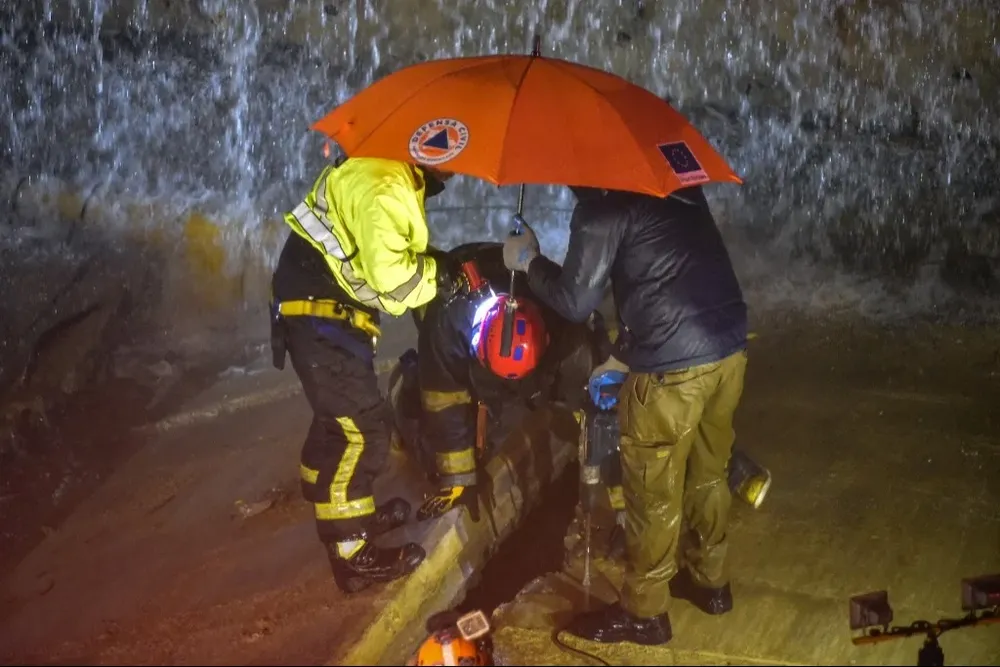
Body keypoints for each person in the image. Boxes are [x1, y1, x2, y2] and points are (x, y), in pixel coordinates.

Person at [503, 184, 750, 646]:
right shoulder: (680, 190)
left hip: (671, 371)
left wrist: (528, 260)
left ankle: (644, 614)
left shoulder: (602, 211)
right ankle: (711, 583)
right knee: (709, 471)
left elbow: (575, 301)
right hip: (729, 348)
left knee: (652, 492)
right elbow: (667, 279)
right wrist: (622, 354)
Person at [270, 155, 463, 595]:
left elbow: (375, 249)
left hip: (318, 303)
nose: (460, 168)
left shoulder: (386, 170)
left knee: (339, 414)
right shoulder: (385, 186)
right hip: (319, 313)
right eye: (455, 157)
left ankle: (343, 507)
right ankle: (351, 553)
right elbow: (394, 286)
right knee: (360, 430)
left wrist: (433, 264)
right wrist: (437, 276)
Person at [387, 241, 604, 523]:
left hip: (512, 309)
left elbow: (588, 377)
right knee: (444, 453)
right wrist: (458, 478)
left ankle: (508, 393)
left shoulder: (555, 304)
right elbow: (445, 402)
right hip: (443, 318)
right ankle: (403, 389)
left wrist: (593, 426)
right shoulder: (447, 323)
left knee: (526, 405)